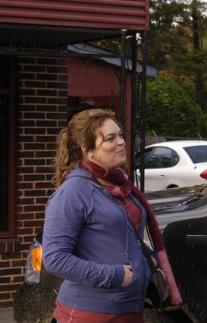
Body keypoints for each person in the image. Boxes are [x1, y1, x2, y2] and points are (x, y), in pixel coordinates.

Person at [43, 108, 182, 323]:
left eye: (120, 135)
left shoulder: (120, 185)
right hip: (90, 314)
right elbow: (55, 259)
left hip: (129, 308)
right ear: (87, 150)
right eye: (111, 138)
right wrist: (116, 275)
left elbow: (122, 234)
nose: (122, 142)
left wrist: (147, 257)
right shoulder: (73, 192)